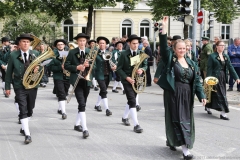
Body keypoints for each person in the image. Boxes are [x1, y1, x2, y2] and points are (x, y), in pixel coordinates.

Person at [153, 16, 206, 160]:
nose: (182, 50)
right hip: (173, 92)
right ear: (175, 49)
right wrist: (163, 28)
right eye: (180, 48)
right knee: (177, 118)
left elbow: (196, 81)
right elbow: (163, 47)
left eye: (184, 48)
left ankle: (176, 142)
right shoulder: (170, 58)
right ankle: (185, 150)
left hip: (187, 94)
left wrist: (202, 95)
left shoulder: (192, 63)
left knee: (185, 118)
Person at [5, 33, 40, 144]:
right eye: (23, 42)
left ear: (30, 44)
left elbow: (41, 68)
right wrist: (7, 86)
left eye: (28, 42)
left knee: (30, 108)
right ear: (19, 44)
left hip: (32, 85)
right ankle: (28, 135)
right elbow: (9, 72)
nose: (25, 44)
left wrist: (37, 69)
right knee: (22, 108)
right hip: (19, 85)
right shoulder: (13, 55)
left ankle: (24, 127)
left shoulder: (35, 53)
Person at [116, 34, 148, 133]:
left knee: (131, 100)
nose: (135, 45)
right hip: (127, 80)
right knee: (132, 101)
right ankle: (136, 124)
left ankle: (125, 117)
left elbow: (145, 65)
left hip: (137, 80)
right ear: (129, 43)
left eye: (137, 43)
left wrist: (142, 70)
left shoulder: (140, 53)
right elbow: (119, 69)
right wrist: (126, 77)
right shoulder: (124, 54)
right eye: (133, 43)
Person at [64, 33, 92, 138]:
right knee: (82, 103)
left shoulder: (90, 52)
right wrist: (77, 67)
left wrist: (89, 66)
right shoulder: (72, 52)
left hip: (87, 80)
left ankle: (77, 124)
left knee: (83, 103)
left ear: (86, 42)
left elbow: (97, 65)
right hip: (77, 80)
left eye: (83, 41)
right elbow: (66, 65)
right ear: (77, 42)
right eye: (80, 41)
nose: (81, 42)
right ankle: (85, 129)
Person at [205, 41, 240, 120]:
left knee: (221, 93)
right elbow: (209, 68)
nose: (222, 47)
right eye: (221, 45)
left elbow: (230, 67)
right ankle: (223, 113)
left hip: (223, 77)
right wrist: (208, 80)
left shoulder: (226, 56)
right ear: (216, 46)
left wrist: (236, 78)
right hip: (214, 77)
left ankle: (214, 109)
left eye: (224, 46)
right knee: (217, 94)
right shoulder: (212, 56)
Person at [48, 39, 70, 119]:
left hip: (67, 76)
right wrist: (59, 67)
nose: (60, 46)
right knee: (61, 93)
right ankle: (64, 112)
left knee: (65, 92)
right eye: (58, 45)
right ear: (56, 46)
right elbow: (50, 67)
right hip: (58, 76)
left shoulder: (69, 53)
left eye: (62, 44)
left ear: (64, 45)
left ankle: (60, 108)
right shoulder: (53, 54)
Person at [93, 36, 113, 116]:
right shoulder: (95, 53)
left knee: (102, 91)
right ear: (98, 44)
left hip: (108, 74)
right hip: (99, 74)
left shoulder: (109, 53)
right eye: (100, 43)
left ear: (106, 44)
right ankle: (107, 109)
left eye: (103, 43)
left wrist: (114, 66)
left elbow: (113, 62)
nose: (101, 44)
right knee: (104, 90)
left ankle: (97, 105)